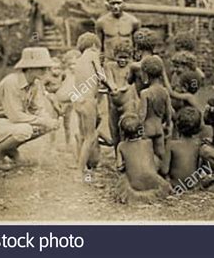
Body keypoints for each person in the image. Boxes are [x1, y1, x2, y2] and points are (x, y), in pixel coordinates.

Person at [0, 47, 60, 170]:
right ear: (30, 68)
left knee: (44, 126)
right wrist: (43, 121)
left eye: (47, 67)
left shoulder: (36, 83)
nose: (46, 71)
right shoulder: (12, 82)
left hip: (8, 124)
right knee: (25, 129)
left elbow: (38, 108)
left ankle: (9, 149)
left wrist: (49, 121)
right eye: (42, 67)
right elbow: (15, 116)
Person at [71, 32, 113, 173]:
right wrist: (112, 88)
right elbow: (101, 77)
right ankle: (79, 170)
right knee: (90, 137)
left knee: (84, 135)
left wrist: (102, 90)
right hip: (88, 102)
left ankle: (81, 163)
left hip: (77, 100)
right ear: (94, 45)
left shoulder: (79, 59)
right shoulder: (92, 54)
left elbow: (88, 83)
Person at [115, 114, 171, 204]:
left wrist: (127, 164)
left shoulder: (121, 146)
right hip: (154, 183)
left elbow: (119, 167)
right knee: (154, 160)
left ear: (122, 133)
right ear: (140, 130)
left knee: (124, 177)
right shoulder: (148, 142)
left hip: (135, 187)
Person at [138, 56, 172, 173]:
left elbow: (142, 114)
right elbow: (169, 112)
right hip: (159, 129)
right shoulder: (165, 91)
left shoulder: (145, 93)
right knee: (161, 153)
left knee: (146, 155)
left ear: (146, 75)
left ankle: (148, 174)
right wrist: (168, 125)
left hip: (147, 129)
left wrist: (138, 127)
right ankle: (164, 173)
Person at [104, 41, 138, 152]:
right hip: (113, 102)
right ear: (115, 56)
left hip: (127, 101)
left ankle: (127, 154)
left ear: (130, 57)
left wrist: (122, 88)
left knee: (127, 127)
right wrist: (113, 87)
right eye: (120, 57)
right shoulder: (109, 66)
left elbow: (130, 83)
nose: (122, 60)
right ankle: (116, 154)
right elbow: (109, 79)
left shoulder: (132, 67)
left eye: (125, 58)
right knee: (114, 128)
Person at [95, 0, 140, 65]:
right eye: (112, 3)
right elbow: (99, 47)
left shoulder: (133, 22)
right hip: (109, 63)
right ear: (107, 4)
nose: (116, 7)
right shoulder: (101, 22)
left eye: (118, 3)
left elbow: (137, 46)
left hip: (128, 62)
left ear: (124, 3)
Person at [167, 107, 202, 189]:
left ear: (177, 124)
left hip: (175, 184)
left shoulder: (171, 144)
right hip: (192, 184)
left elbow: (164, 170)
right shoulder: (198, 144)